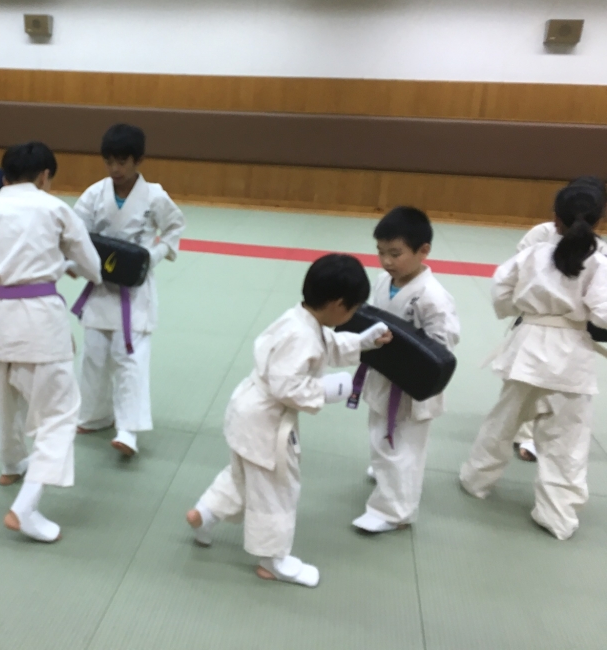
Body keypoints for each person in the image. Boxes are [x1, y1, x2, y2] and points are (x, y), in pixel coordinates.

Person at [185, 254, 391, 587]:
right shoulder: (304, 336)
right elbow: (287, 386)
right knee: (278, 489)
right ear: (338, 304)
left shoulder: (298, 319)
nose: (351, 315)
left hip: (247, 412)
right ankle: (272, 559)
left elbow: (326, 346)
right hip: (266, 423)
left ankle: (205, 513)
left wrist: (364, 341)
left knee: (242, 475)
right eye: (352, 309)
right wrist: (327, 389)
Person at [460, 184, 607, 540]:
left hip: (527, 351)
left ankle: (476, 480)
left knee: (503, 422)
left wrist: (525, 309)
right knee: (567, 441)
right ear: (600, 222)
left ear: (555, 220)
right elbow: (604, 316)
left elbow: (502, 292)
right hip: (573, 358)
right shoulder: (600, 262)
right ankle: (557, 516)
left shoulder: (532, 255)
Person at [0, 142, 101, 542]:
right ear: (45, 175)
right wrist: (65, 265)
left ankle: (11, 464)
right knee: (59, 414)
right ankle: (25, 507)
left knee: (7, 402)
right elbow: (93, 266)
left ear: (4, 174)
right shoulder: (53, 207)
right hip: (40, 320)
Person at [73, 123, 185, 457]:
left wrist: (156, 254)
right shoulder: (94, 194)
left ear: (138, 161)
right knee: (93, 354)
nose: (116, 169)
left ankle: (129, 429)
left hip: (135, 290)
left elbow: (175, 227)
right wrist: (79, 262)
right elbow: (77, 232)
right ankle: (94, 415)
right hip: (101, 286)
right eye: (110, 162)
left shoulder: (155, 196)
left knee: (130, 358)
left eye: (122, 162)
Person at [350, 207, 460, 534]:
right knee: (385, 433)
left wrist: (398, 344)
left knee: (403, 445)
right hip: (384, 373)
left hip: (411, 382)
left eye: (395, 254)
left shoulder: (433, 297)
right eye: (381, 253)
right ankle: (388, 474)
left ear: (423, 250)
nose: (386, 261)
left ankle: (394, 511)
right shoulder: (385, 281)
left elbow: (443, 345)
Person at [510, 176, 606, 463]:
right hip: (538, 320)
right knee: (528, 382)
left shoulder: (601, 250)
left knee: (563, 392)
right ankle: (526, 433)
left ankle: (544, 438)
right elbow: (515, 275)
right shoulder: (540, 235)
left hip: (577, 328)